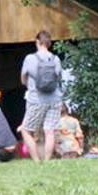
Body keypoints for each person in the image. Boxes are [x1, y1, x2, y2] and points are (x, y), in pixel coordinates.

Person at [20, 30, 64, 163]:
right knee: (49, 131)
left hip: (36, 100)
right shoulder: (55, 59)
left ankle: (37, 161)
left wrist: (29, 86)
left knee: (25, 130)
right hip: (54, 99)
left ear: (37, 42)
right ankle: (47, 160)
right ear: (49, 44)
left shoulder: (30, 58)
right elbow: (59, 78)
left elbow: (23, 79)